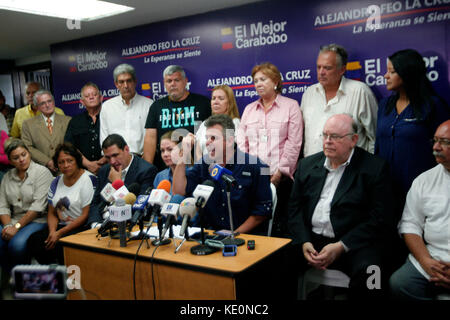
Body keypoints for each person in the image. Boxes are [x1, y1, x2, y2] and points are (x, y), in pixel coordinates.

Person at [288, 114, 395, 300]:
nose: (328, 141)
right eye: (325, 135)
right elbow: (294, 209)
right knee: (270, 262)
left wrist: (341, 246)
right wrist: (304, 241)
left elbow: (380, 218)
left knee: (373, 273)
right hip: (310, 241)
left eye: (335, 137)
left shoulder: (374, 168)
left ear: (354, 140)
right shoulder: (307, 165)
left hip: (351, 243)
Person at [375, 49, 450, 210]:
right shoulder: (384, 105)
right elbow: (378, 146)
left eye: (392, 71)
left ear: (407, 73)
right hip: (386, 190)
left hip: (422, 190)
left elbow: (444, 148)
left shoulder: (433, 106)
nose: (385, 76)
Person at [173, 114, 272, 235]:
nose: (208, 142)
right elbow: (179, 190)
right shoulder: (204, 164)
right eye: (207, 138)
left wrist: (234, 233)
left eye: (213, 138)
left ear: (230, 140)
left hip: (243, 238)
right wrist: (184, 154)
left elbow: (261, 213)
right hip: (209, 237)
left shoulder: (257, 167)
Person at [236, 62, 303, 237]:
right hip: (253, 179)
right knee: (255, 228)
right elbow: (242, 145)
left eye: (263, 79)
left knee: (279, 228)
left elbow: (294, 143)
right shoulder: (249, 110)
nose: (258, 83)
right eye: (255, 80)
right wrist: (248, 173)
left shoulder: (291, 106)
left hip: (280, 179)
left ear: (275, 81)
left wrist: (279, 173)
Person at [389, 119, 450, 300]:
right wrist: (425, 261)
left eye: (445, 142)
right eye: (435, 141)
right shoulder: (424, 180)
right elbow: (410, 224)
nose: (436, 147)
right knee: (400, 283)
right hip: (433, 256)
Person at [301, 44, 378, 157]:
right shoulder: (309, 93)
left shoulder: (360, 92)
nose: (321, 72)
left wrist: (368, 168)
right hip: (313, 170)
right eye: (319, 67)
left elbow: (375, 136)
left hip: (350, 170)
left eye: (327, 68)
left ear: (342, 69)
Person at [27, 143, 97, 264]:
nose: (65, 165)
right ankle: (51, 275)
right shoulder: (56, 181)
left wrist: (59, 233)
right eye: (61, 162)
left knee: (62, 245)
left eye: (69, 161)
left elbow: (85, 215)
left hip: (81, 227)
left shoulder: (88, 179)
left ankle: (69, 278)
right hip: (60, 226)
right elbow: (52, 212)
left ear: (77, 160)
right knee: (35, 241)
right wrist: (53, 232)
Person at [143, 65, 211, 170]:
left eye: (177, 80)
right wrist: (146, 170)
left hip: (197, 167)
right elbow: (150, 139)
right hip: (166, 169)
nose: (173, 84)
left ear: (185, 81)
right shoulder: (156, 107)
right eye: (169, 81)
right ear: (164, 84)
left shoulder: (203, 103)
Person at [0, 139, 53, 272]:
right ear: (11, 161)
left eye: (24, 154)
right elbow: (3, 206)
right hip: (13, 219)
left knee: (16, 245)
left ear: (29, 153)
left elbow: (37, 208)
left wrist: (16, 227)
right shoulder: (7, 177)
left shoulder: (42, 172)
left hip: (37, 220)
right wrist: (7, 226)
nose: (21, 159)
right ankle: (9, 276)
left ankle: (23, 281)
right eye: (16, 158)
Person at [87, 134, 157, 228]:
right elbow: (95, 203)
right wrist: (95, 224)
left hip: (127, 225)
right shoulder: (104, 171)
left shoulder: (146, 171)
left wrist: (117, 183)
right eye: (107, 157)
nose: (112, 161)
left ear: (126, 150)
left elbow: (139, 209)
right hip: (101, 224)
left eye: (115, 155)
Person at [99, 63, 153, 156]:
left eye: (129, 81)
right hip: (115, 159)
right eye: (121, 82)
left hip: (142, 159)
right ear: (116, 84)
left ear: (135, 81)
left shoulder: (149, 105)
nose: (126, 86)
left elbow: (152, 139)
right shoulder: (107, 107)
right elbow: (104, 138)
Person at [21, 90, 71, 175]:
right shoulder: (28, 124)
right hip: (40, 171)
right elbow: (27, 146)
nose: (47, 105)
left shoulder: (68, 121)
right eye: (42, 103)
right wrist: (47, 161)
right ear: (37, 107)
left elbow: (72, 144)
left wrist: (62, 160)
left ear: (54, 102)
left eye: (49, 101)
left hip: (65, 170)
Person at [65, 82, 106, 175]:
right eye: (87, 96)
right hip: (82, 171)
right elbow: (69, 145)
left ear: (101, 98)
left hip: (108, 167)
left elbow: (118, 141)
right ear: (82, 102)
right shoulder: (75, 121)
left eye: (94, 94)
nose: (91, 97)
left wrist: (104, 160)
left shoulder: (110, 117)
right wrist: (88, 164)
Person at [195, 85, 240, 160]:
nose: (216, 102)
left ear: (229, 103)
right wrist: (202, 168)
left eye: (221, 98)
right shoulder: (204, 124)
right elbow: (198, 150)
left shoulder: (234, 123)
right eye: (213, 98)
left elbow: (234, 150)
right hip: (205, 168)